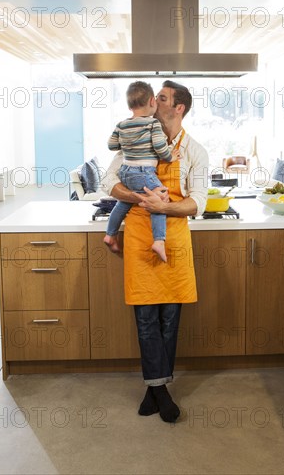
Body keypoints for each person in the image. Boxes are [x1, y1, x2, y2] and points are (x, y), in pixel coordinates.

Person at [106, 80, 208, 423]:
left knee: (170, 318)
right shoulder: (135, 136)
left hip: (174, 240)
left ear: (177, 108)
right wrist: (141, 199)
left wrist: (163, 208)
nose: (154, 100)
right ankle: (162, 391)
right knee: (147, 318)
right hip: (138, 235)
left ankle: (154, 388)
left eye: (162, 98)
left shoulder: (196, 152)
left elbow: (198, 202)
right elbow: (110, 182)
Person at [104, 81, 179, 262]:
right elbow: (161, 149)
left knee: (123, 202)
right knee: (159, 198)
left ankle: (110, 235)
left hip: (126, 171)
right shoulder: (153, 124)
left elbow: (112, 145)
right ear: (152, 101)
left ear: (129, 105)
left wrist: (129, 142)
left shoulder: (121, 124)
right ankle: (159, 241)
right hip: (144, 172)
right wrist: (171, 157)